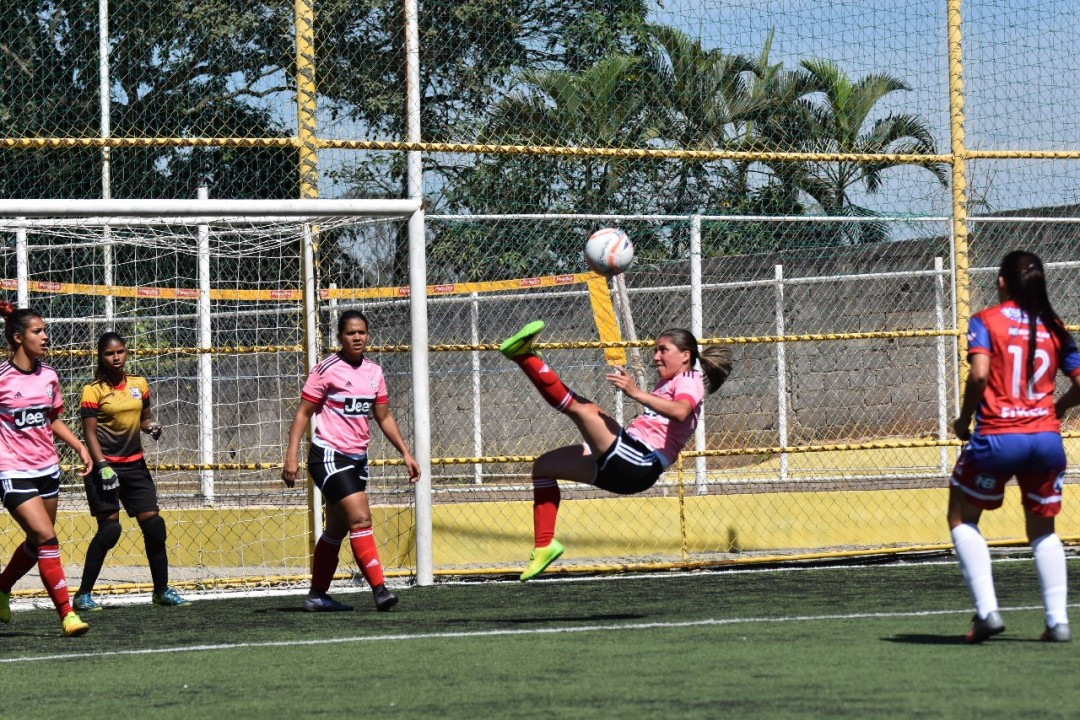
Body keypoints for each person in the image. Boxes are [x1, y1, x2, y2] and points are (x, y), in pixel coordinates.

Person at [499, 320, 732, 581]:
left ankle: (524, 357)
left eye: (663, 350)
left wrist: (635, 392)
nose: (656, 357)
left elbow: (681, 411)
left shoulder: (689, 380)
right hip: (628, 465)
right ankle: (543, 546)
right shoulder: (667, 383)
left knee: (585, 410)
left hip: (640, 462)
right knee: (544, 467)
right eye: (656, 350)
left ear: (685, 355)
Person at [950, 250, 1080, 643]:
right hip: (1045, 438)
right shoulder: (1055, 326)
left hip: (998, 436)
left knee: (961, 517)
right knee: (1043, 530)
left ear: (1002, 282)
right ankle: (1057, 621)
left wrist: (963, 419)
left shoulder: (986, 320)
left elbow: (979, 375)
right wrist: (1056, 407)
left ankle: (988, 612)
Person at [283, 310, 420, 612]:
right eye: (350, 333)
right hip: (328, 456)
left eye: (362, 332)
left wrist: (405, 453)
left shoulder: (374, 372)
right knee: (360, 518)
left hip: (357, 460)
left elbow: (383, 416)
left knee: (336, 530)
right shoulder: (326, 369)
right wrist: (291, 456)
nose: (357, 338)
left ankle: (317, 596)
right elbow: (303, 413)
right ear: (340, 337)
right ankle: (381, 590)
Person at [74, 332, 189, 611]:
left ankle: (161, 591)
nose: (116, 357)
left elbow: (145, 417)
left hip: (135, 466)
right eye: (110, 353)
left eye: (121, 352)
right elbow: (88, 433)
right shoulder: (93, 390)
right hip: (104, 468)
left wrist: (151, 427)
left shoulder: (139, 384)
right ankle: (82, 595)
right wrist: (102, 466)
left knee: (154, 526)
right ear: (101, 357)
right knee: (110, 530)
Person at [0, 302, 94, 636]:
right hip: (13, 470)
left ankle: (1, 587)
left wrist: (79, 445)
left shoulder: (49, 376)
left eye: (44, 330)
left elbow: (52, 418)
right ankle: (67, 614)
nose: (45, 336)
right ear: (18, 337)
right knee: (46, 536)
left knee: (37, 541)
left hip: (47, 469)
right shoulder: (2, 378)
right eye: (37, 331)